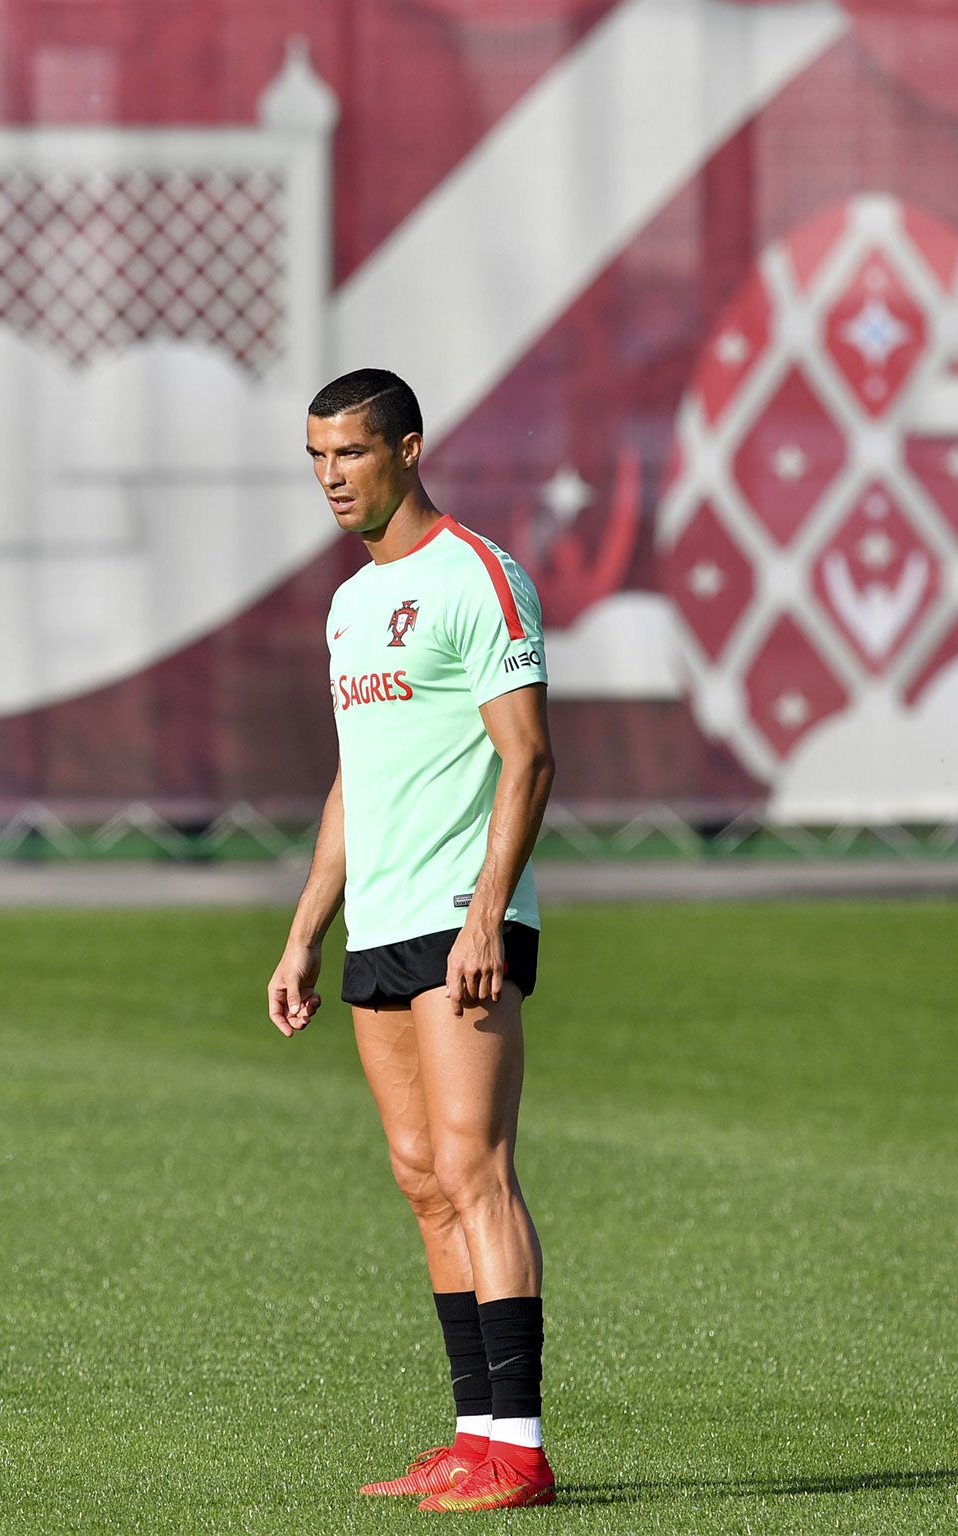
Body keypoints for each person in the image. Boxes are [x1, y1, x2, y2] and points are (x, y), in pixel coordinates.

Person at [266, 368, 557, 1512]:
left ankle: (521, 1454)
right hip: (379, 922)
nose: (331, 477)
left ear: (407, 448)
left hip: (458, 919)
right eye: (315, 458)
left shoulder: (478, 575)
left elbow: (527, 756)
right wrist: (301, 933)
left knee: (476, 1168)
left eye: (348, 453)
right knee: (421, 1179)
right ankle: (471, 1435)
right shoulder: (350, 604)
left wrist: (489, 908)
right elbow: (355, 783)